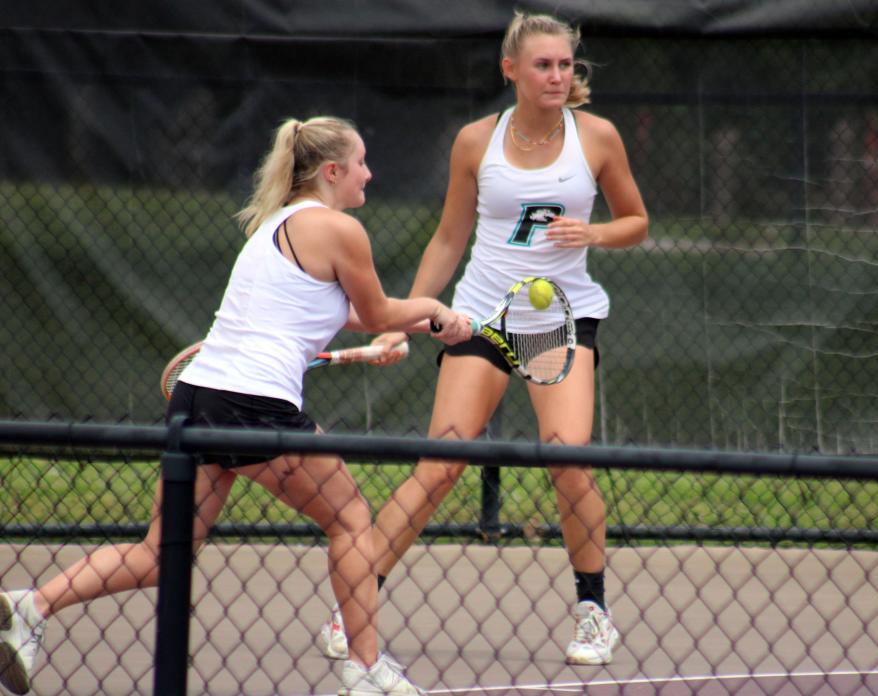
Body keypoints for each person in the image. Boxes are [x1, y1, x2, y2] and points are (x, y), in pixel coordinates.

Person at [0, 116, 472, 696]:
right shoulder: (339, 229)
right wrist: (433, 308)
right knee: (350, 520)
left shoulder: (273, 225)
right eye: (361, 163)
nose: (369, 174)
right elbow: (375, 311)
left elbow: (338, 313)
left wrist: (413, 328)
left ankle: (31, 606)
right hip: (255, 405)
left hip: (199, 399)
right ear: (332, 172)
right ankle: (366, 670)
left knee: (161, 553)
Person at [319, 10, 649, 667]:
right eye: (544, 65)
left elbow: (637, 221)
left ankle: (593, 611)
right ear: (512, 71)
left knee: (566, 456)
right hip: (482, 317)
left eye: (565, 65)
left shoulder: (600, 139)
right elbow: (449, 237)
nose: (558, 76)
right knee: (441, 465)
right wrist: (405, 316)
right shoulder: (475, 141)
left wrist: (595, 234)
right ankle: (359, 600)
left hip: (560, 319)